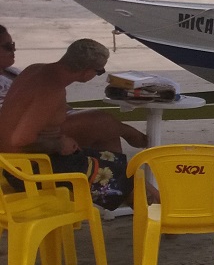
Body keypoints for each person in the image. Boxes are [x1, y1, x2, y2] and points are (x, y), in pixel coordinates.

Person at [0, 36, 141, 210]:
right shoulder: (51, 90)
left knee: (116, 162)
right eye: (99, 71)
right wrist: (59, 144)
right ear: (85, 71)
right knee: (125, 176)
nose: (97, 74)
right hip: (27, 172)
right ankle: (159, 217)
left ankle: (147, 209)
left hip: (19, 164)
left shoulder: (35, 70)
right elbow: (19, 141)